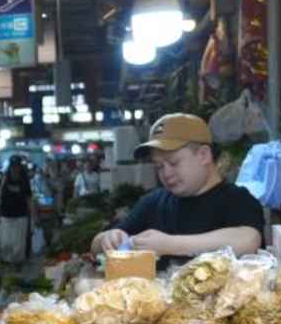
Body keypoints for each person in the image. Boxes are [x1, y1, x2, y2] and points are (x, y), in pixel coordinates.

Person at [90, 113, 263, 263]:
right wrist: (108, 239)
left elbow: (248, 239)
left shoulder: (237, 200)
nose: (166, 173)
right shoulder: (154, 202)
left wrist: (170, 245)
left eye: (174, 162)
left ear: (203, 155)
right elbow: (96, 245)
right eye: (159, 166)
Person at [0, 156, 36, 264]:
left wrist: (33, 216)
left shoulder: (24, 180)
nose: (15, 168)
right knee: (5, 242)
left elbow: (29, 199)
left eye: (17, 166)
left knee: (18, 243)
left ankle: (17, 263)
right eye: (13, 166)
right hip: (5, 216)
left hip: (20, 216)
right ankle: (6, 261)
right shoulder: (3, 179)